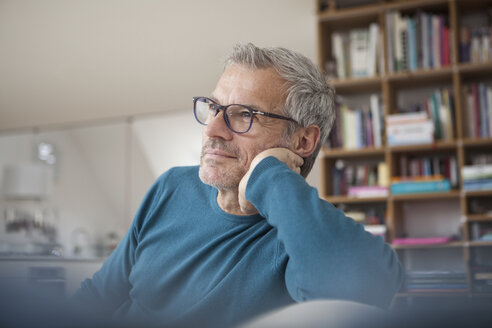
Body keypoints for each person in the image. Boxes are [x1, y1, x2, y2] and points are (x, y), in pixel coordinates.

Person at [73, 43, 402, 327]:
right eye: (215, 108)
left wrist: (270, 175)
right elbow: (99, 297)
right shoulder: (171, 187)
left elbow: (367, 289)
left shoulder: (305, 232)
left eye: (244, 114)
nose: (213, 129)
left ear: (304, 140)